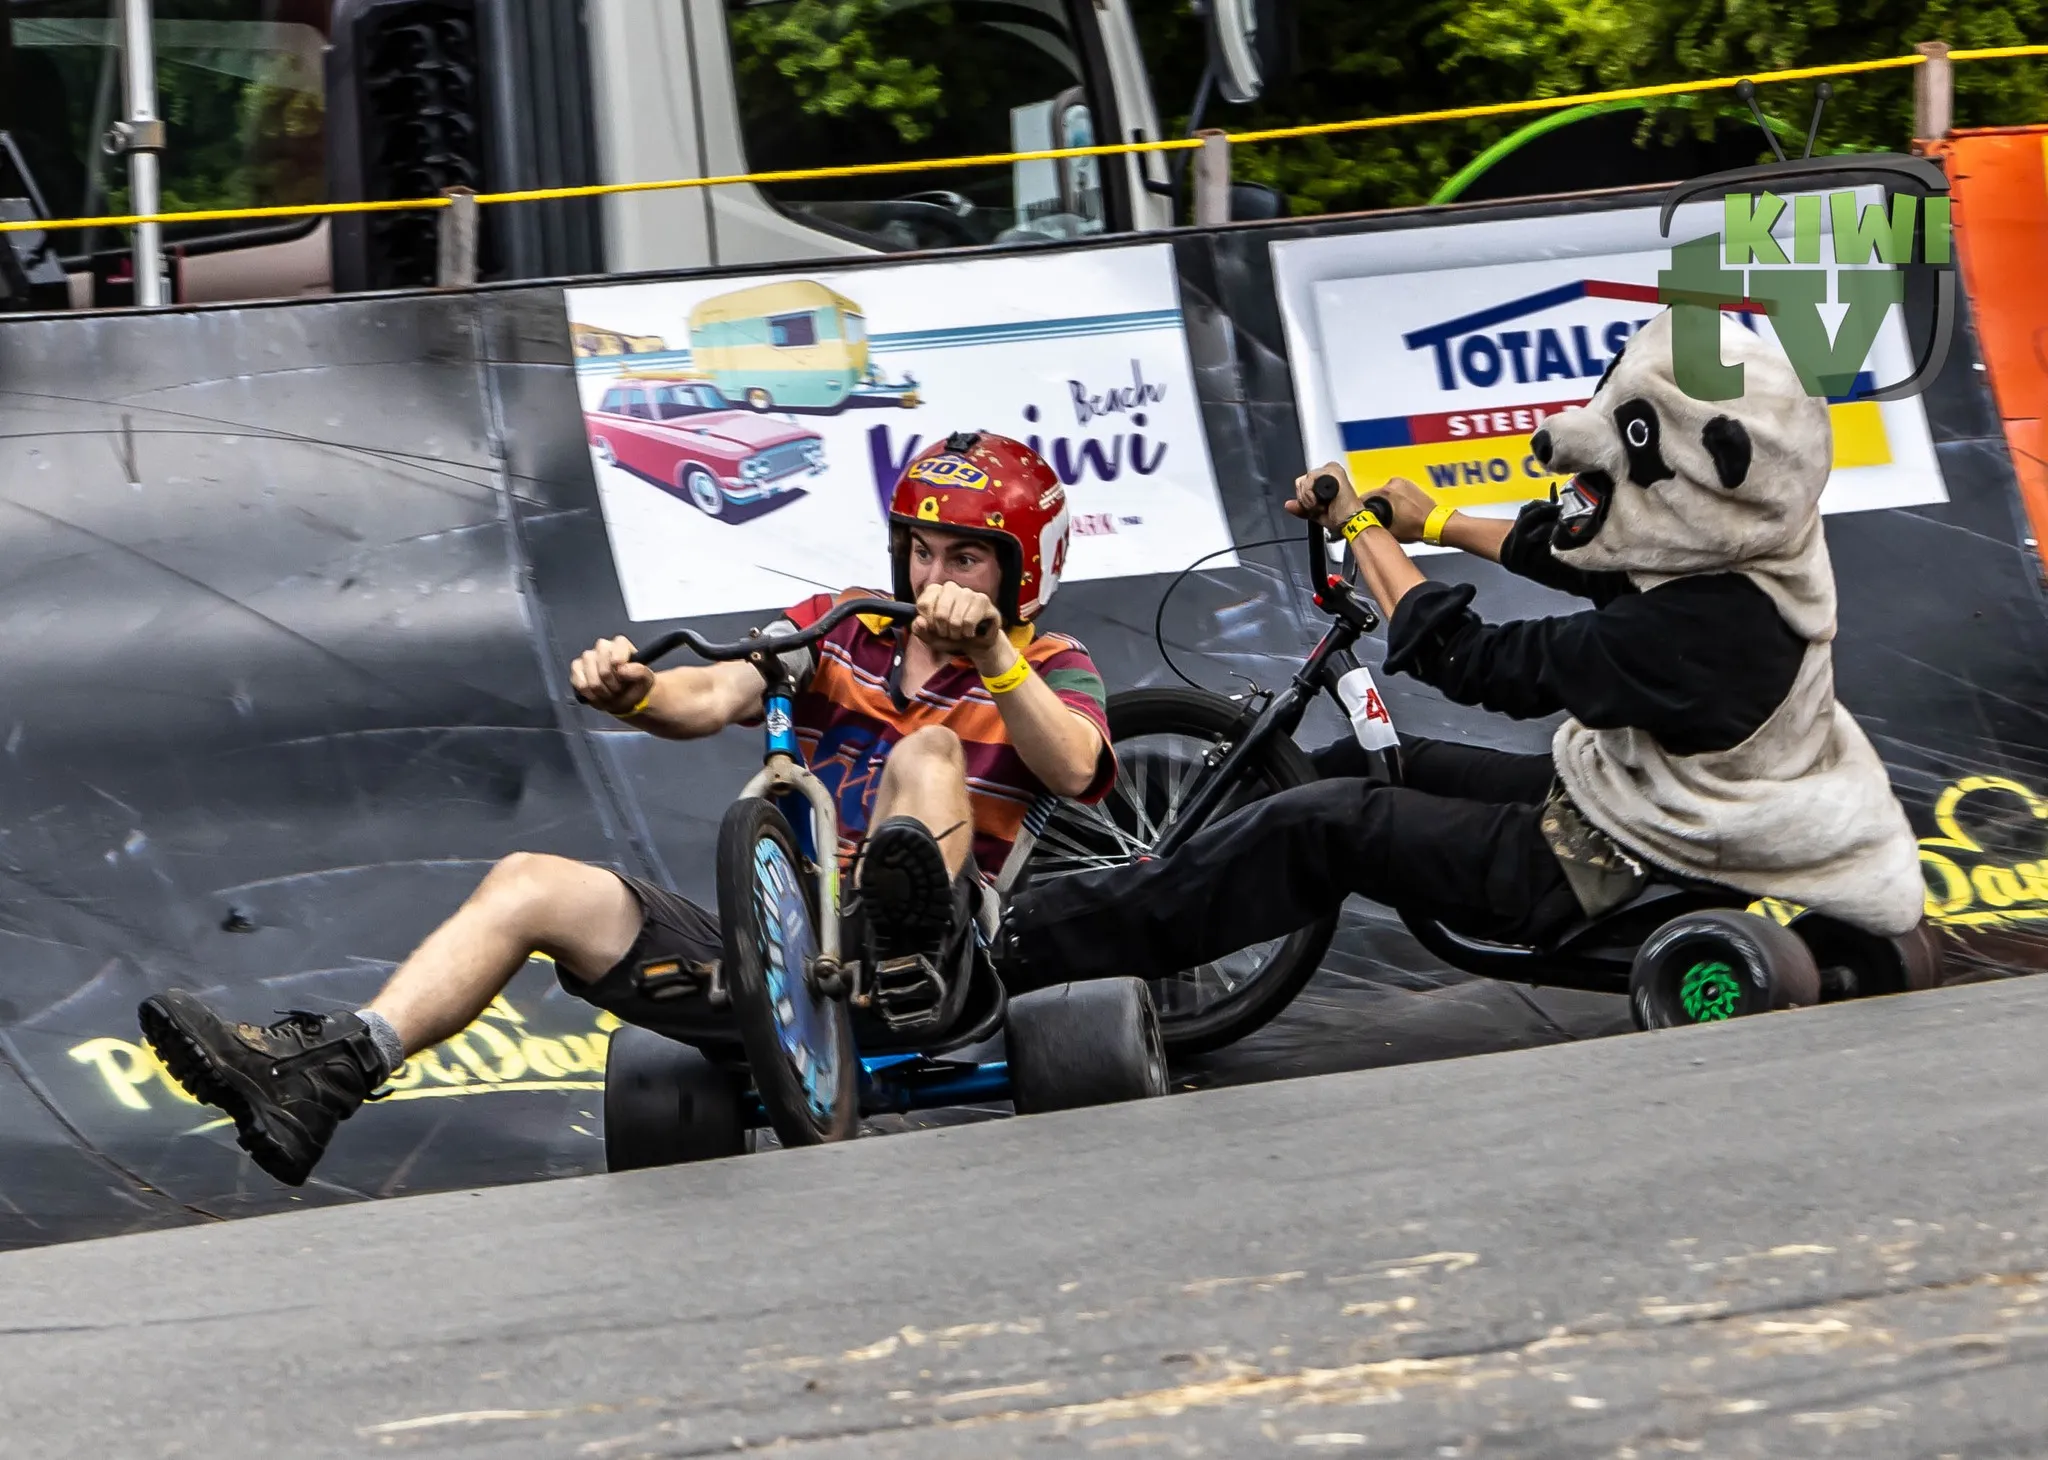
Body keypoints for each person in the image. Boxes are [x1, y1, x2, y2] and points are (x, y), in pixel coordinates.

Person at [139, 432, 1115, 1187]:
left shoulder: (1050, 663)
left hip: (938, 971)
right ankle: (332, 1069)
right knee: (530, 882)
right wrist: (638, 693)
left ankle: (901, 939)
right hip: (793, 951)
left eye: (965, 559)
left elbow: (1074, 767)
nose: (935, 580)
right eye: (922, 552)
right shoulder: (848, 622)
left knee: (928, 751)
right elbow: (717, 693)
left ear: (1019, 571)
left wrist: (995, 656)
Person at [994, 308, 1926, 989]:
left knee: (1322, 824)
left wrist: (1364, 532)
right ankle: (1139, 888)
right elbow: (1586, 551)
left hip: (1595, 864)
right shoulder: (1755, 554)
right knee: (1349, 764)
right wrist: (1433, 518)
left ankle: (1026, 945)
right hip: (1633, 804)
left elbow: (1469, 660)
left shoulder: (1693, 632)